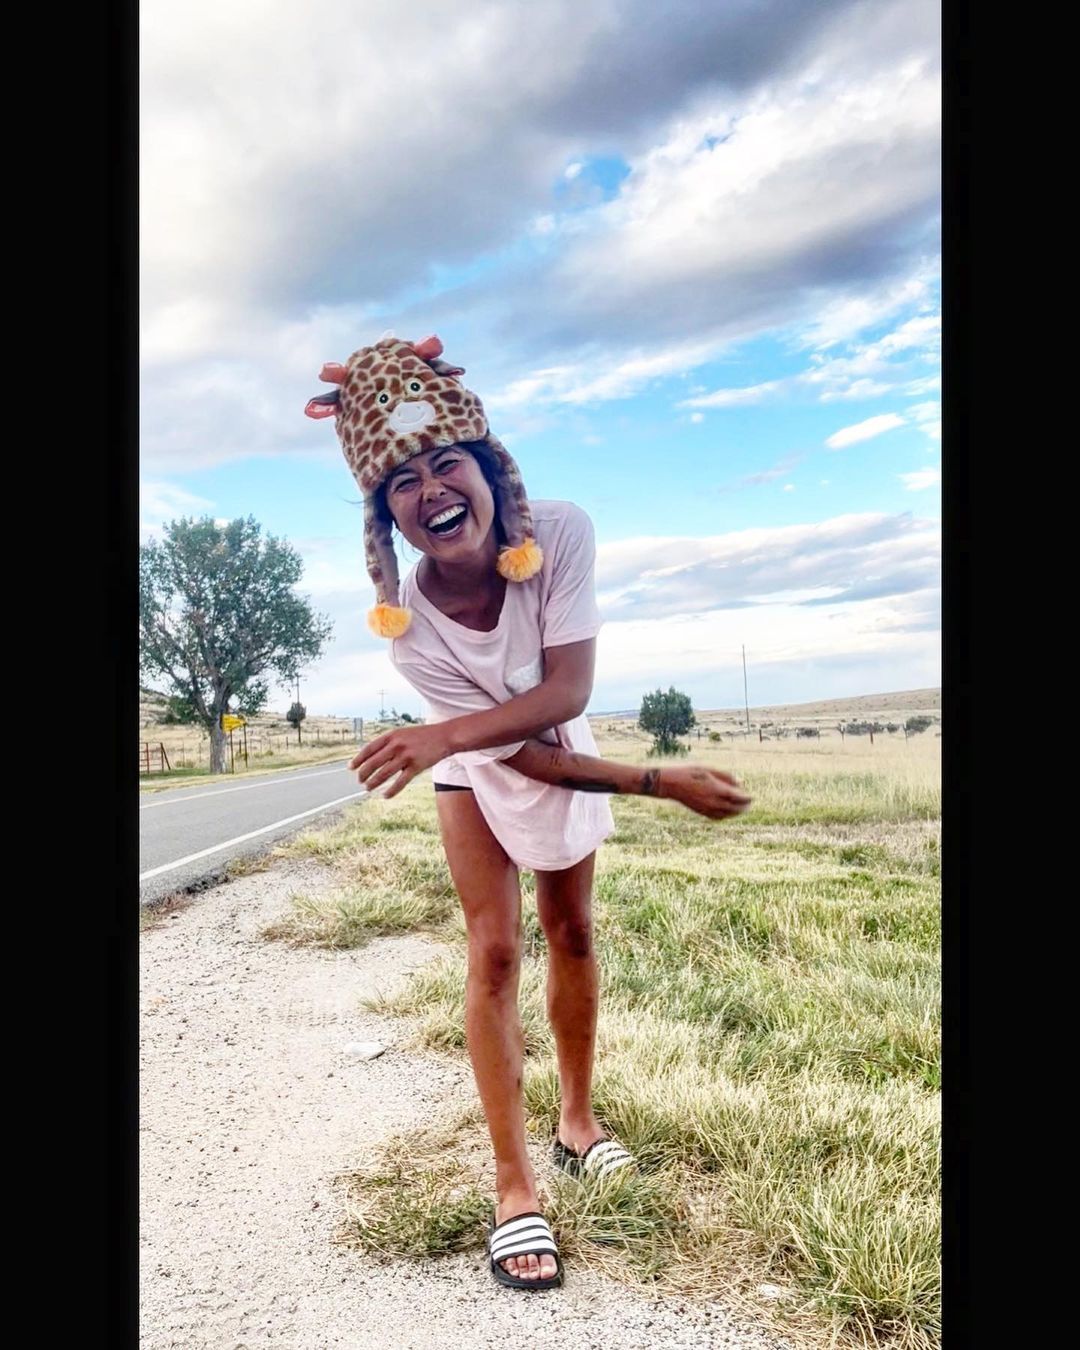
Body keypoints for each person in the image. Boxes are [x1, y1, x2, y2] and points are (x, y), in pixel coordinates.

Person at [305, 334, 751, 1291]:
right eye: (403, 482)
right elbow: (510, 754)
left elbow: (563, 696)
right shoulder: (411, 635)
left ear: (489, 470)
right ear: (387, 520)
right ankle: (514, 1188)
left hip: (542, 743)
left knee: (573, 930)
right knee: (497, 953)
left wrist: (653, 780)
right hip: (474, 766)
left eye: (447, 464)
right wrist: (651, 779)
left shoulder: (561, 534)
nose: (431, 490)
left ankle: (577, 1123)